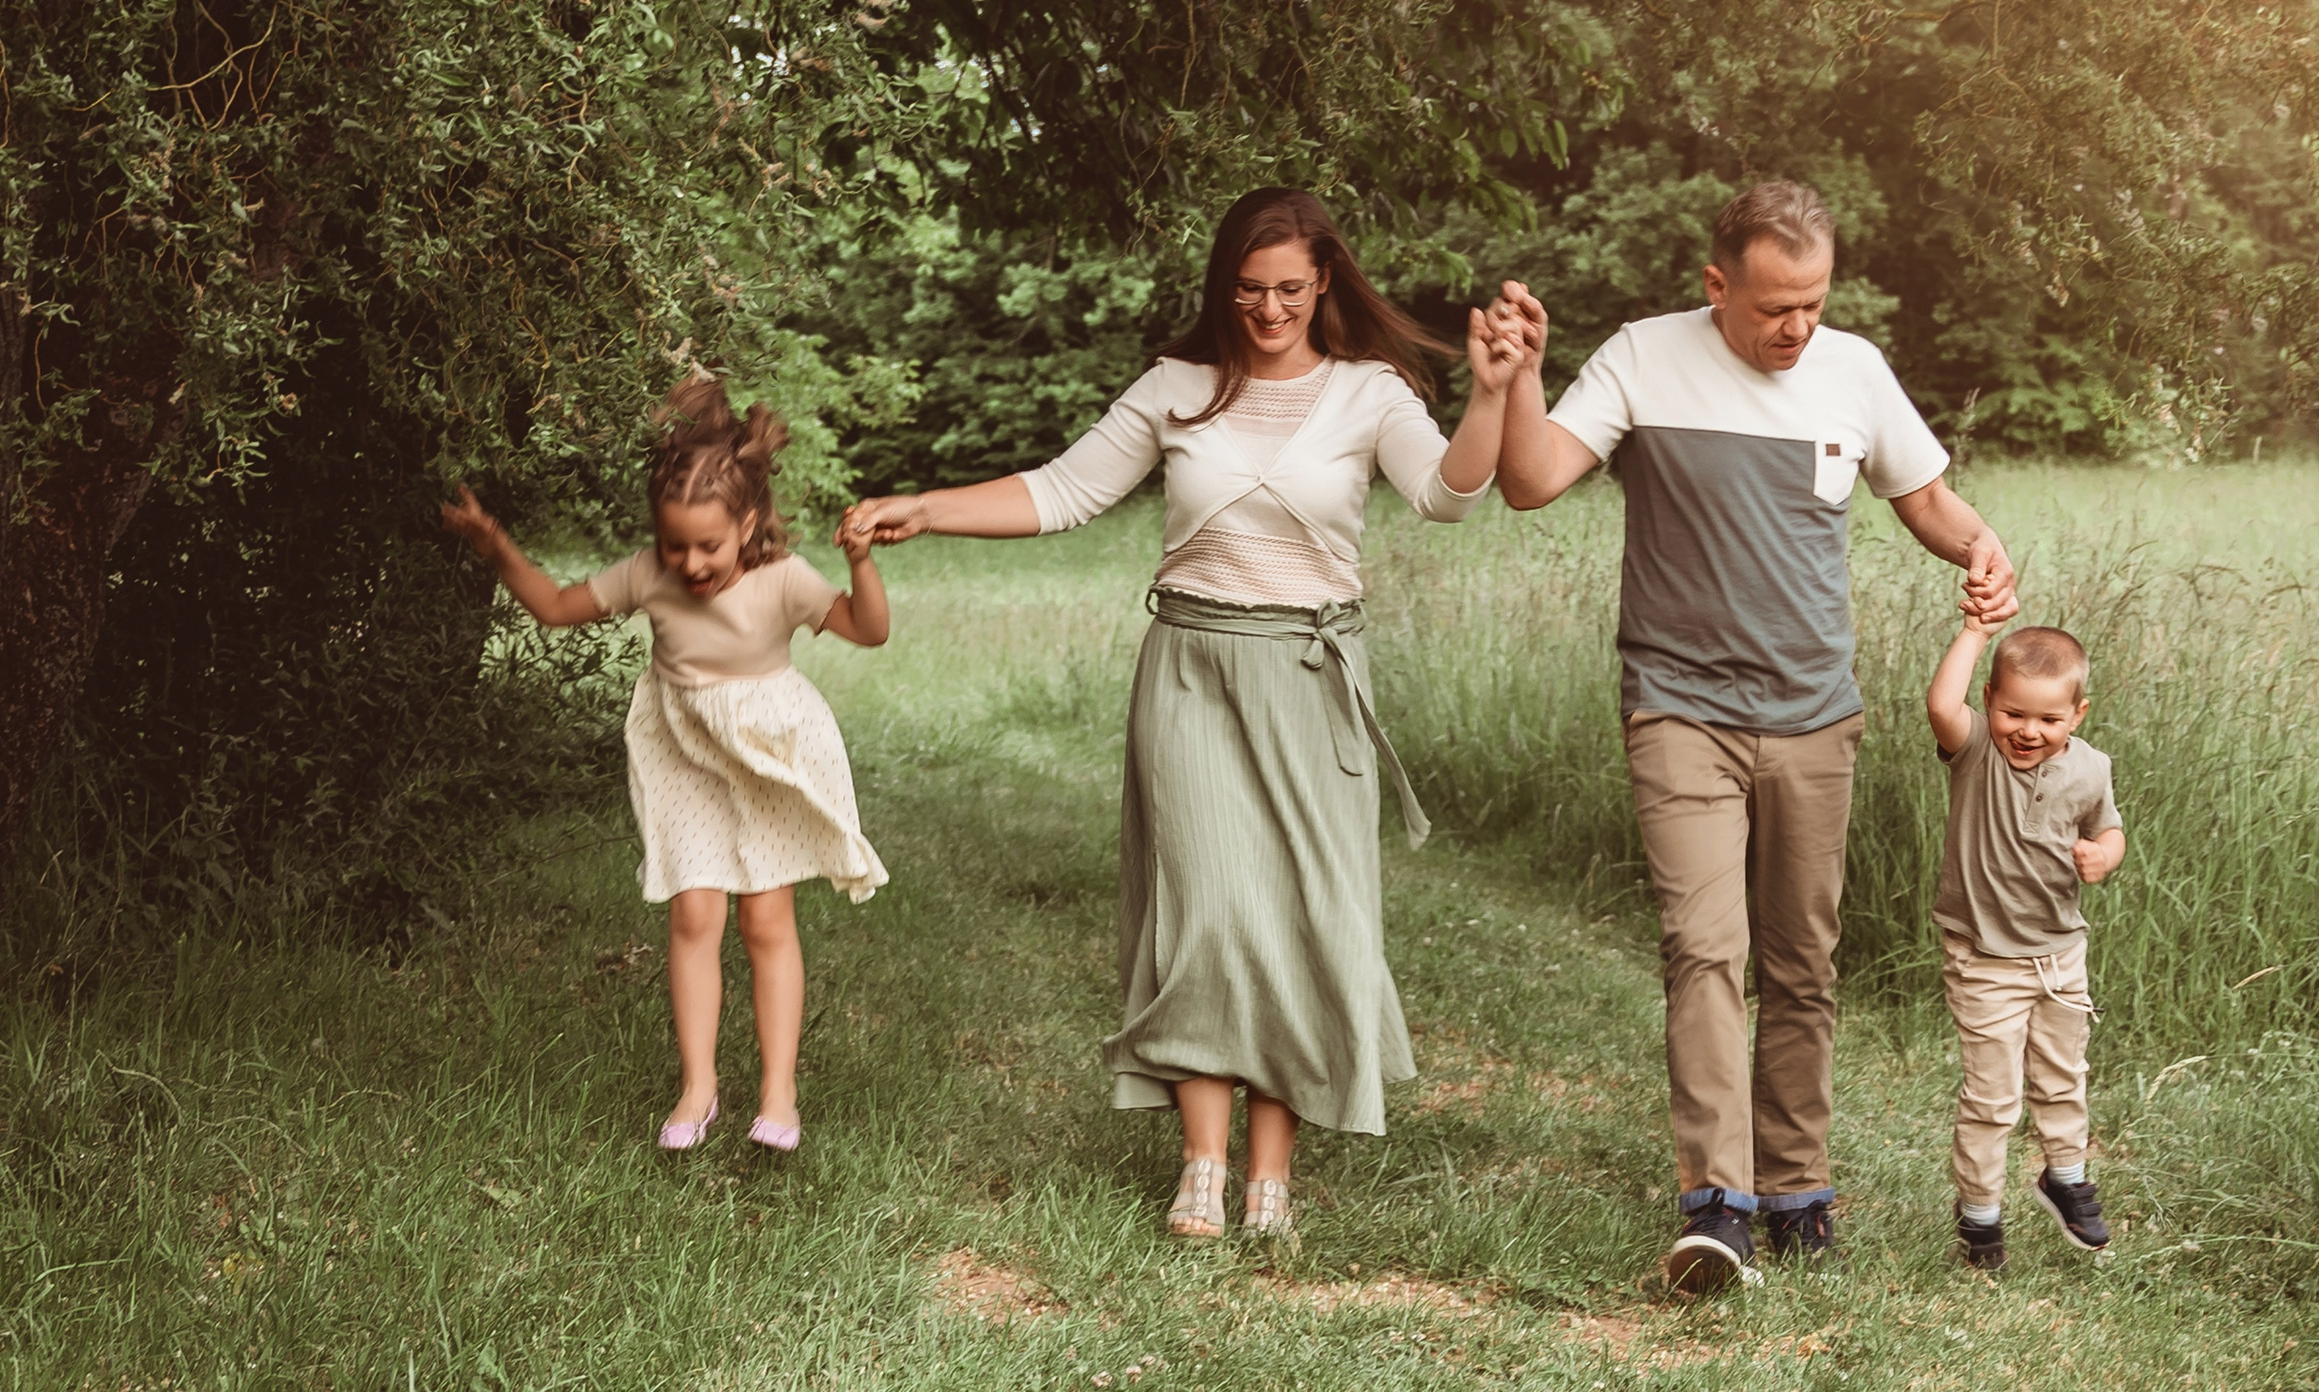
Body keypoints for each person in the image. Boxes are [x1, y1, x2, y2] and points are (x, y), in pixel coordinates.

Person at [850, 187, 1524, 1240]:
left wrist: (1491, 394)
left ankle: (1270, 1179)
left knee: (1301, 919)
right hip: (1192, 670)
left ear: (1324, 283)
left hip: (1310, 677)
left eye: (1290, 289)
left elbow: (1447, 496)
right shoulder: (1177, 387)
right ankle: (1202, 1165)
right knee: (1206, 912)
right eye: (1249, 290)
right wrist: (925, 508)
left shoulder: (1369, 392)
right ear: (1224, 287)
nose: (1270, 310)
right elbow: (1062, 492)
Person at [1490, 179, 2019, 1292]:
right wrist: (1523, 375)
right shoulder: (1643, 356)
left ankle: (1797, 1195)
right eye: (1775, 306)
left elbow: (1925, 498)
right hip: (1679, 706)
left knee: (1802, 962)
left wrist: (1982, 547)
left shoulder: (1853, 370)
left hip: (1815, 715)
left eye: (1813, 303)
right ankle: (1718, 1205)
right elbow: (1530, 482)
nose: (1796, 327)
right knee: (1704, 948)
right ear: (1716, 285)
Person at [440, 375, 891, 1154]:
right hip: (685, 756)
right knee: (692, 914)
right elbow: (554, 606)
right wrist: (496, 547)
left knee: (766, 919)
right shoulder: (650, 572)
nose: (690, 561)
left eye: (708, 545)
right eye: (675, 543)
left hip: (766, 754)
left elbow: (869, 629)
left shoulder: (782, 578)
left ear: (745, 523)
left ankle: (778, 1091)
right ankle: (698, 1086)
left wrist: (861, 563)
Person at [1924, 617, 2125, 1272]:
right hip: (1985, 961)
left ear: (2078, 714)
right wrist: (1975, 632)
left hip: (2061, 954)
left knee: (2064, 1077)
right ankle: (1980, 1216)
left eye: (2048, 718)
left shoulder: (2091, 767)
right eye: (2013, 712)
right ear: (1989, 700)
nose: (2028, 731)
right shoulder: (1978, 750)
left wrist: (2104, 856)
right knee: (1993, 1100)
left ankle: (2065, 1176)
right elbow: (1940, 705)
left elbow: (2110, 829)